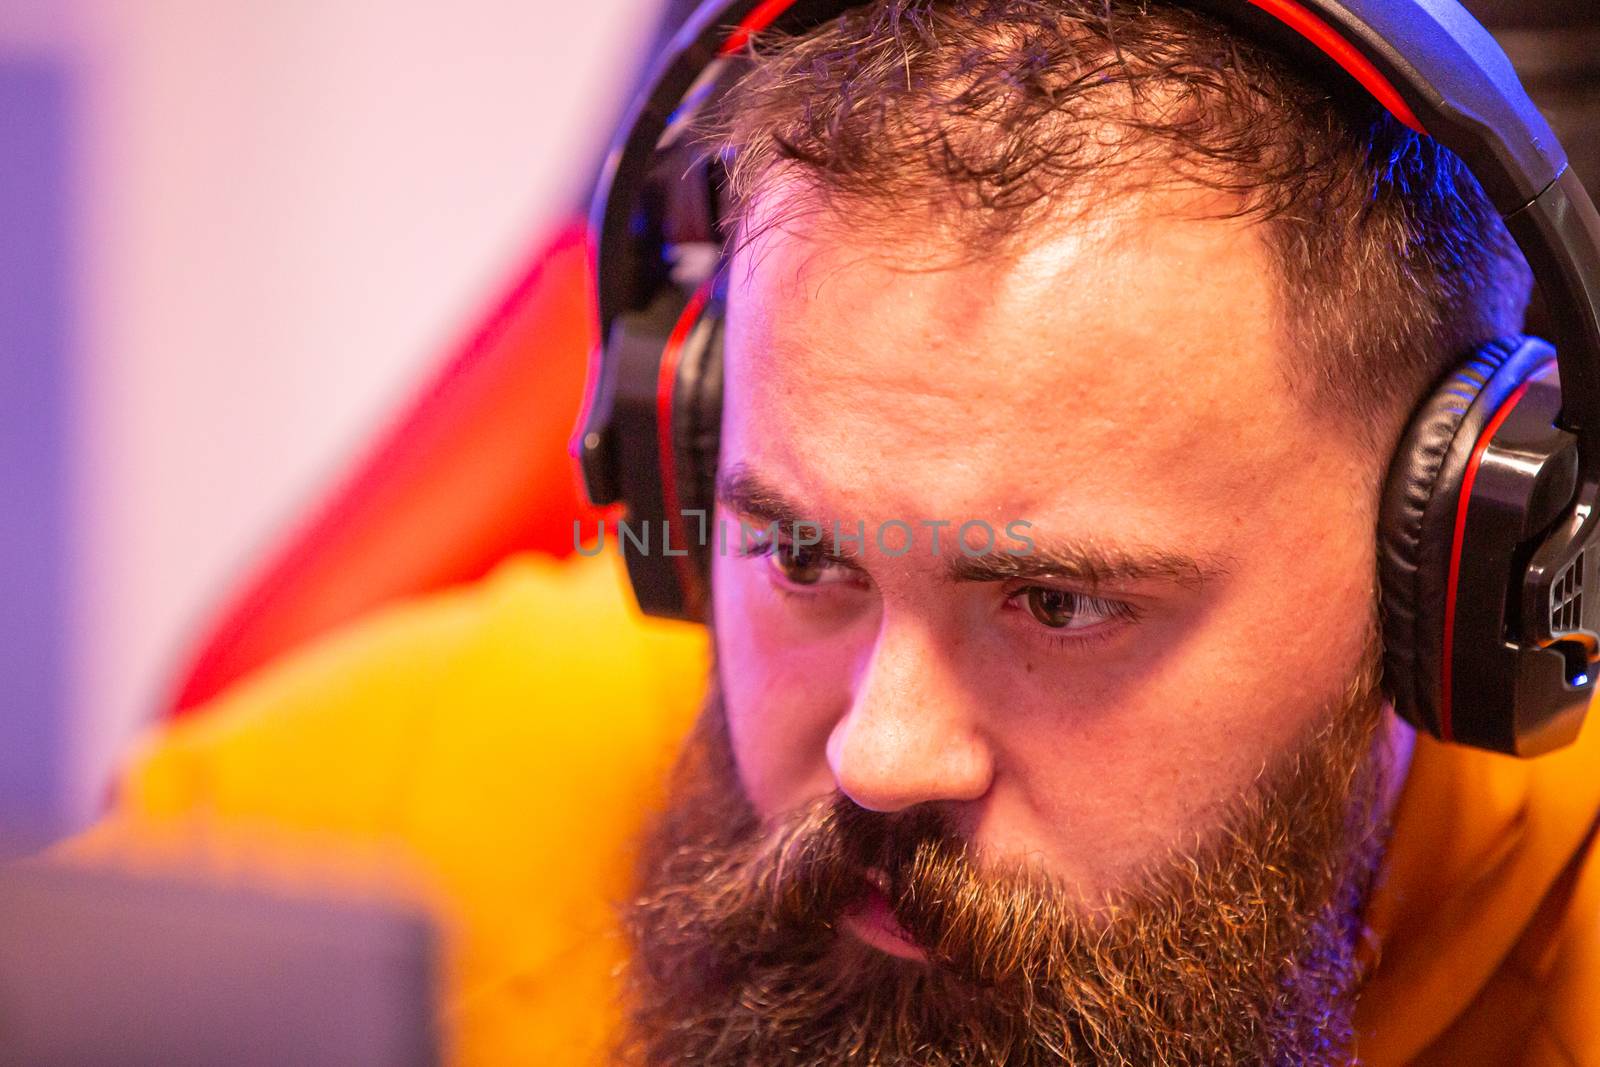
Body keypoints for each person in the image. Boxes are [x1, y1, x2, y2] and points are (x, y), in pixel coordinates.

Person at [70, 0, 1600, 1064]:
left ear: (1450, 593)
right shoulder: (397, 811)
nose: (880, 757)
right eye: (807, 562)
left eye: (1057, 603)